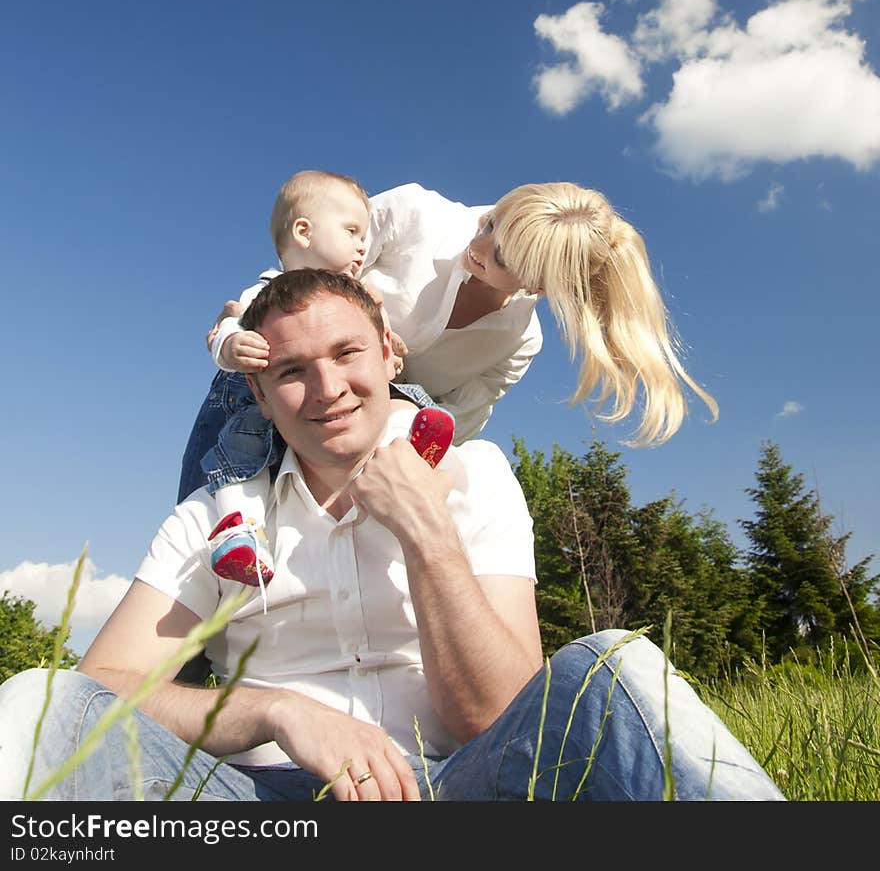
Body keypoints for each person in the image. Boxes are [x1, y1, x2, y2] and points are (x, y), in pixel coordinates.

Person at [0, 270, 782, 802]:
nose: (328, 389)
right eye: (293, 371)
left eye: (347, 354)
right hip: (264, 798)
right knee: (38, 700)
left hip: (459, 783)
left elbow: (501, 714)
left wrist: (423, 524)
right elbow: (103, 686)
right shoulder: (213, 515)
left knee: (615, 665)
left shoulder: (475, 476)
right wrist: (276, 711)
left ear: (390, 354)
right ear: (259, 393)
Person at [180, 179, 718, 527]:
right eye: (490, 223)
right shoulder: (416, 215)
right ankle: (180, 658)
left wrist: (399, 420)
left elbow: (454, 422)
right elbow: (303, 263)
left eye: (500, 255)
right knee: (210, 505)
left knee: (305, 540)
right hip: (279, 382)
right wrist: (238, 326)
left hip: (364, 432)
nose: (477, 245)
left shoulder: (516, 342)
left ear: (541, 285)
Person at [178, 169, 417, 591]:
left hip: (310, 410)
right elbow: (227, 329)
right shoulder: (269, 292)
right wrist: (232, 346)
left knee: (403, 398)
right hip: (253, 403)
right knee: (240, 462)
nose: (364, 245)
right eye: (351, 230)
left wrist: (388, 349)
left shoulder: (356, 296)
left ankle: (415, 444)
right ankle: (241, 532)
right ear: (304, 231)